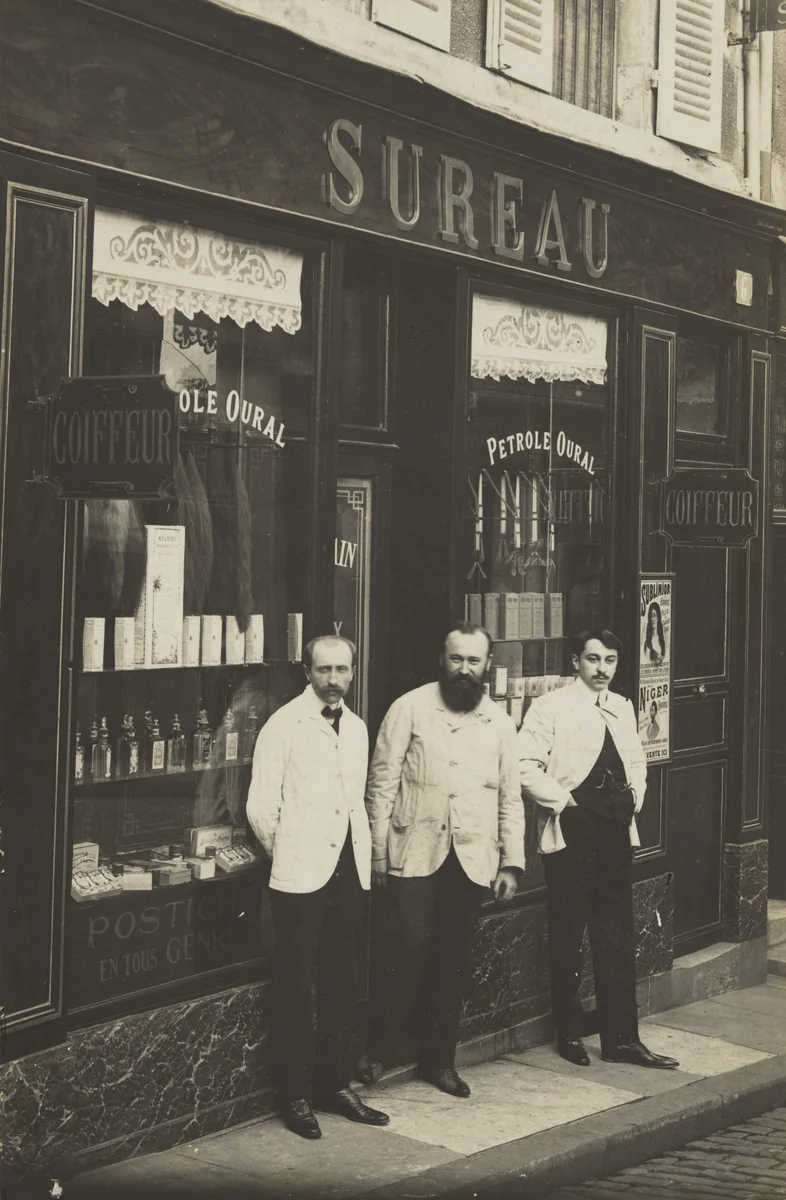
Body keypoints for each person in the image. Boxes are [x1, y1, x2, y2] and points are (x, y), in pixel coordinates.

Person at [358, 622, 525, 1098]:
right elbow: (381, 784)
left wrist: (511, 862)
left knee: (453, 962)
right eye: (457, 659)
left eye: (474, 661)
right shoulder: (410, 708)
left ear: (488, 666)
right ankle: (378, 1050)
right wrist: (375, 852)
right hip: (413, 851)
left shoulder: (499, 722)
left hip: (472, 857)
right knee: (403, 955)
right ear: (443, 660)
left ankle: (440, 1061)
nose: (465, 670)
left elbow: (510, 797)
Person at [246, 635, 389, 1139]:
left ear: (353, 672)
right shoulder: (283, 726)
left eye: (343, 670)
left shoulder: (355, 728)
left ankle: (334, 1083)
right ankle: (296, 1095)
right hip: (300, 876)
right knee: (294, 986)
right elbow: (261, 810)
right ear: (306, 671)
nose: (334, 680)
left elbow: (354, 803)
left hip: (347, 871)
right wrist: (293, 851)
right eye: (324, 669)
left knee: (342, 981)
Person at [517, 629, 678, 1071]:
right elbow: (523, 764)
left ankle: (622, 1038)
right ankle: (568, 1034)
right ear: (576, 663)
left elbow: (638, 761)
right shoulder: (551, 706)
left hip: (613, 829)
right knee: (569, 930)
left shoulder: (622, 707)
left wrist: (633, 798)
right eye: (592, 659)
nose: (601, 668)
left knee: (615, 932)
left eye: (609, 660)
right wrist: (564, 802)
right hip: (572, 829)